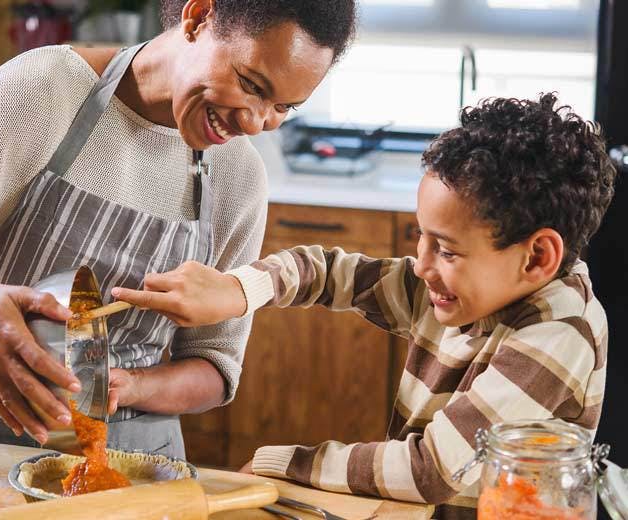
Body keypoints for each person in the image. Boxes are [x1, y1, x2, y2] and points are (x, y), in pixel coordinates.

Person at [0, 0, 357, 459]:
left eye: (284, 108)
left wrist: (131, 386)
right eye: (251, 83)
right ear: (199, 16)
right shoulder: (43, 91)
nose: (256, 122)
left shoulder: (239, 178)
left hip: (133, 463)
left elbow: (215, 365)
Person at [113, 93, 616, 517]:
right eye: (422, 238)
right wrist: (238, 291)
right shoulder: (471, 286)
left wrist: (282, 463)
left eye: (446, 249)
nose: (421, 265)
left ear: (538, 257)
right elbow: (327, 272)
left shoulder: (560, 329)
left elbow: (432, 469)